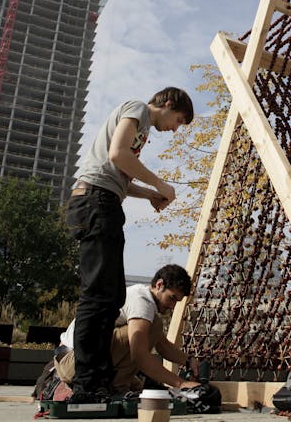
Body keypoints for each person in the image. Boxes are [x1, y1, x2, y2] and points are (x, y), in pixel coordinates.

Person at [65, 87, 194, 402]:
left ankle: (96, 382)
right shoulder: (138, 109)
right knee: (98, 297)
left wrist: (150, 194)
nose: (175, 129)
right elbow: (118, 155)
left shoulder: (143, 127)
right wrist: (160, 183)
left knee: (110, 296)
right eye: (178, 120)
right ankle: (87, 385)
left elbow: (119, 174)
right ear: (167, 104)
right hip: (96, 203)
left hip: (103, 199)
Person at [53, 265, 201, 398]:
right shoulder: (142, 302)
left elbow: (162, 345)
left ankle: (113, 386)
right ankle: (115, 389)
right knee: (154, 327)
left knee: (139, 383)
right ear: (159, 284)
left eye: (177, 302)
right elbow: (140, 356)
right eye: (172, 298)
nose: (172, 306)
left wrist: (188, 361)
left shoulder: (141, 299)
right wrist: (180, 384)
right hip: (74, 363)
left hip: (72, 360)